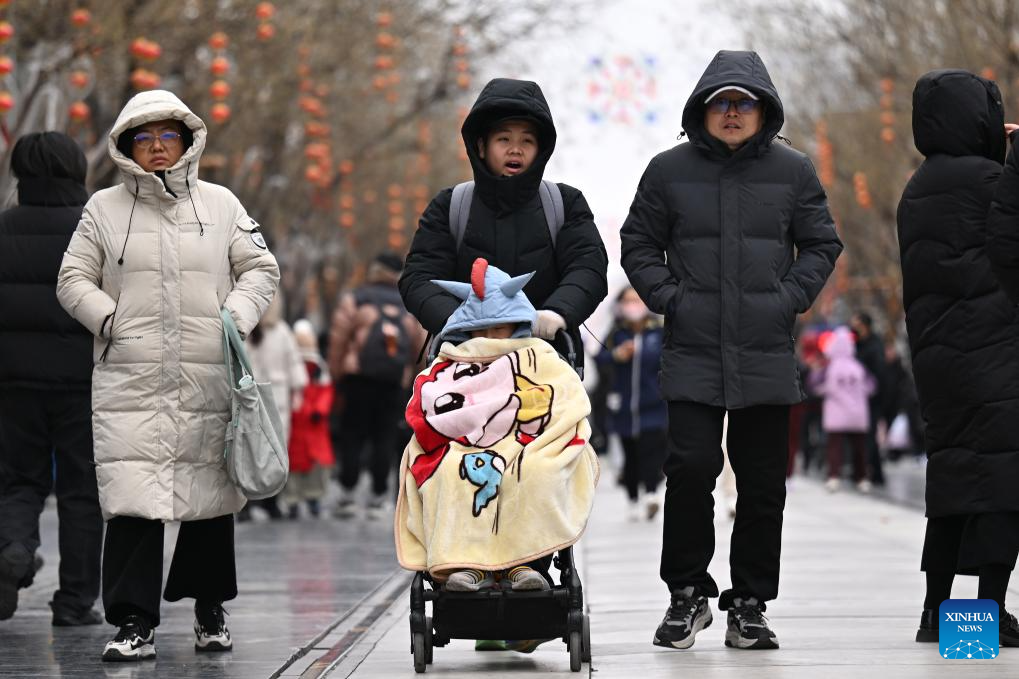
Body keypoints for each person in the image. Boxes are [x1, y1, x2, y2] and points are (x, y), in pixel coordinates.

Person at [620, 50, 842, 651]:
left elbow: (822, 242)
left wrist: (788, 297)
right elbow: (637, 242)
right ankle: (687, 594)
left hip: (766, 349)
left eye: (745, 102)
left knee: (763, 481)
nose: (734, 113)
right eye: (723, 102)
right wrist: (671, 297)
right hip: (692, 346)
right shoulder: (667, 170)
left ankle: (749, 603)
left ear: (764, 110)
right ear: (703, 110)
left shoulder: (794, 171)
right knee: (690, 471)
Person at [56, 90, 280, 661]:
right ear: (127, 146)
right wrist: (109, 320)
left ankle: (210, 611)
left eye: (168, 136)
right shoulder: (102, 209)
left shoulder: (222, 204)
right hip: (129, 379)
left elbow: (260, 267)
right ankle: (133, 622)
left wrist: (234, 318)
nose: (157, 147)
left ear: (188, 140)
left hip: (208, 374)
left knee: (209, 497)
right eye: (144, 137)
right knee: (132, 501)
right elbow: (72, 279)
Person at [898, 69, 1019, 646]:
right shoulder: (993, 180)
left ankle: (936, 610)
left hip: (939, 360)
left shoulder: (917, 188)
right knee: (1004, 479)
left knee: (950, 478)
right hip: (997, 350)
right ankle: (982, 616)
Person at [396, 258, 598, 595]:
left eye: (499, 328)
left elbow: (566, 403)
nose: (490, 337)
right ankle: (467, 563)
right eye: (483, 330)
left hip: (530, 442)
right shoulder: (450, 362)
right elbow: (429, 406)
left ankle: (524, 565)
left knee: (534, 471)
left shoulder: (540, 357)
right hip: (461, 443)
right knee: (447, 471)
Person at [398, 77, 608, 372]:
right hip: (463, 363)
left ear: (541, 149)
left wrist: (556, 313)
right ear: (481, 146)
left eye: (527, 141)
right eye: (504, 139)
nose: (515, 150)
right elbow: (419, 277)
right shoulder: (450, 206)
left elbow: (589, 268)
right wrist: (463, 322)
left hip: (547, 365)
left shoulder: (566, 203)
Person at [0, 132, 103, 626]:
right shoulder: (96, 230)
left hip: (13, 383)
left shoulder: (3, 229)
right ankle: (74, 601)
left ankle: (14, 547)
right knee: (83, 490)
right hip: (85, 382)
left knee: (19, 481)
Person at [327, 252, 424, 518]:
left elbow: (338, 340)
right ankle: (378, 497)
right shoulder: (408, 306)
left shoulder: (356, 298)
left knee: (352, 434)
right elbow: (419, 348)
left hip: (357, 379)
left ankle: (347, 494)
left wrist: (337, 375)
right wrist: (413, 381)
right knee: (386, 436)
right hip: (393, 383)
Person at [594, 287, 667, 521]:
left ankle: (652, 493)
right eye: (628, 301)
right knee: (631, 455)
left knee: (652, 451)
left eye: (637, 300)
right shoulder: (616, 333)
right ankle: (633, 498)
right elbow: (599, 356)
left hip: (654, 405)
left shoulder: (659, 332)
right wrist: (617, 355)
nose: (633, 306)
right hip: (623, 406)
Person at [241, 293, 307, 521]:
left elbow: (293, 363)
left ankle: (263, 502)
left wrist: (297, 390)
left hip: (266, 399)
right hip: (266, 399)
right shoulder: (271, 331)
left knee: (264, 451)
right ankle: (257, 502)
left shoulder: (273, 332)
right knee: (263, 450)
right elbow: (295, 364)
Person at [806, 326, 876, 493]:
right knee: (859, 447)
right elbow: (872, 386)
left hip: (836, 413)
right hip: (857, 413)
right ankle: (862, 478)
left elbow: (814, 384)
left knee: (834, 446)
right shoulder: (858, 367)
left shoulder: (829, 367)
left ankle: (833, 477)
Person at [285, 319, 335, 519]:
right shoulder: (316, 367)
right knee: (295, 468)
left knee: (312, 467)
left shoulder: (318, 368)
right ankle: (294, 502)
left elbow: (325, 392)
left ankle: (309, 500)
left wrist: (318, 410)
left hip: (310, 426)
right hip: (299, 426)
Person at [849, 312, 886, 485]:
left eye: (856, 323)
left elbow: (878, 374)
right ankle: (873, 473)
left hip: (871, 398)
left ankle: (868, 472)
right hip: (859, 398)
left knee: (869, 436)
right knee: (864, 435)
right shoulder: (858, 343)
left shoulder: (874, 346)